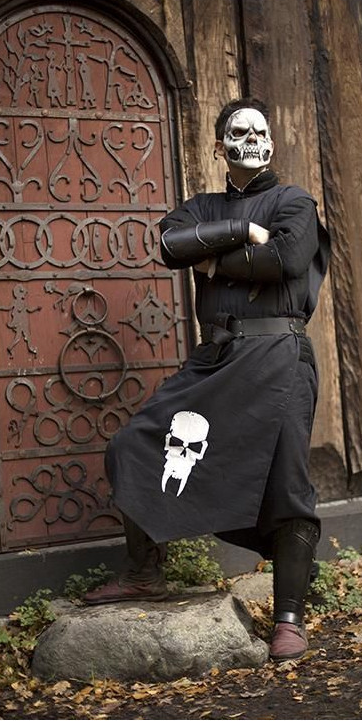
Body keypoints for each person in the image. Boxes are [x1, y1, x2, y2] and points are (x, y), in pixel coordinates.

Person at [84, 98, 331, 662]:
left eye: (261, 132)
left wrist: (214, 260)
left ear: (272, 142)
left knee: (287, 482)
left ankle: (289, 619)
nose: (253, 139)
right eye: (240, 132)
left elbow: (287, 261)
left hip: (278, 356)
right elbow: (171, 245)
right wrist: (244, 229)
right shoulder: (202, 205)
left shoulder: (293, 201)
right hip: (215, 356)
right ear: (221, 146)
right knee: (133, 444)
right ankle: (144, 573)